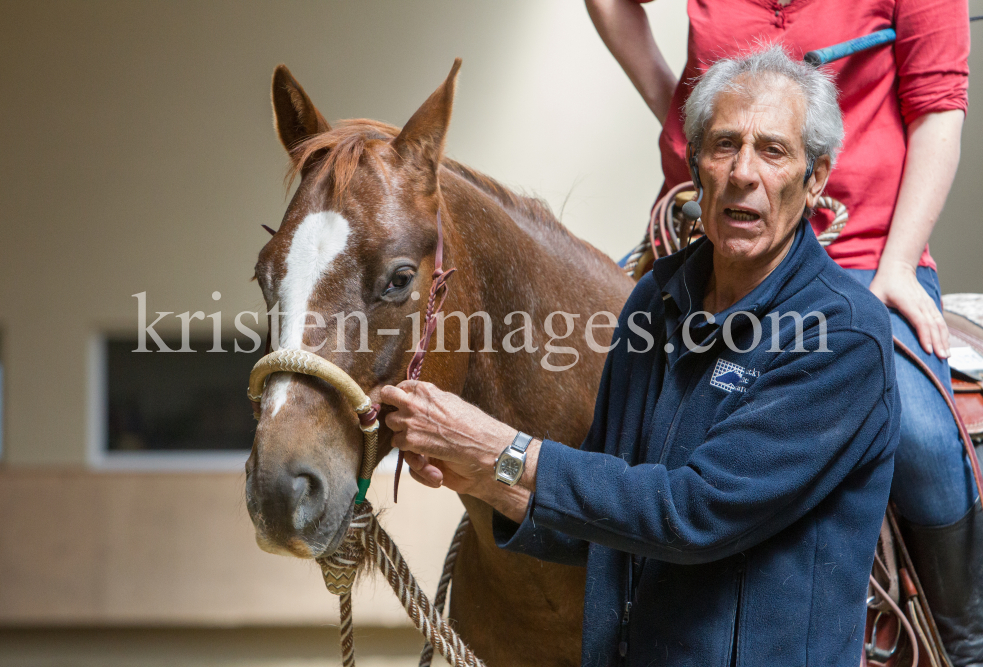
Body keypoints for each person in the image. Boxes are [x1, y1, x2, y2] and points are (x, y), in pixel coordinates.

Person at [382, 46, 899, 666]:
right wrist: (485, 480)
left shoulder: (841, 335)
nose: (743, 172)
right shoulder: (654, 301)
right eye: (724, 145)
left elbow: (693, 513)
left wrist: (503, 453)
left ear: (815, 178)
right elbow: (614, 518)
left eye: (773, 151)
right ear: (695, 165)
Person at [587, 0, 979, 662]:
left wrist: (898, 263)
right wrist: (683, 125)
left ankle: (969, 640)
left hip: (867, 254)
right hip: (713, 241)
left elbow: (938, 107)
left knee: (922, 435)